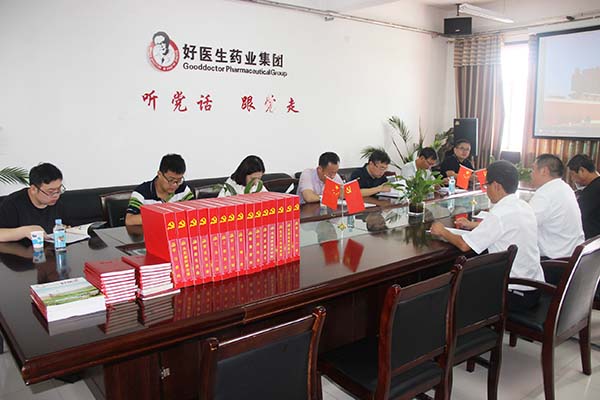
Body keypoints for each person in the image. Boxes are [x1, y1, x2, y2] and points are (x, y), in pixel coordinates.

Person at [430, 160, 545, 312]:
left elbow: (464, 245)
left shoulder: (500, 213)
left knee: (453, 286)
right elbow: (504, 228)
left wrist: (442, 231)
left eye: (486, 185)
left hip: (513, 293)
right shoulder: (523, 206)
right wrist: (473, 225)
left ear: (496, 185)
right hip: (533, 287)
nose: (486, 190)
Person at [529, 154, 584, 259]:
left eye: (533, 169)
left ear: (544, 171)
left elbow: (526, 224)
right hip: (570, 255)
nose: (531, 174)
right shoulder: (565, 187)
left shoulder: (545, 194)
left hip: (554, 260)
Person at [0, 163, 67, 242]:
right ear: (33, 189)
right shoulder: (12, 204)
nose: (56, 195)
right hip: (20, 249)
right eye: (51, 192)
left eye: (59, 189)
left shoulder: (58, 202)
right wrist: (24, 231)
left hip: (50, 248)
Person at [126, 154, 194, 226]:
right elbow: (129, 220)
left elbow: (194, 212)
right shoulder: (142, 193)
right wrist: (162, 215)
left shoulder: (183, 189)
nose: (175, 185)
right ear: (159, 174)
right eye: (171, 180)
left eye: (179, 180)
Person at [567, 154, 600, 239]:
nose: (572, 179)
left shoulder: (591, 192)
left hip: (592, 241)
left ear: (582, 170)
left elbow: (575, 216)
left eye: (572, 174)